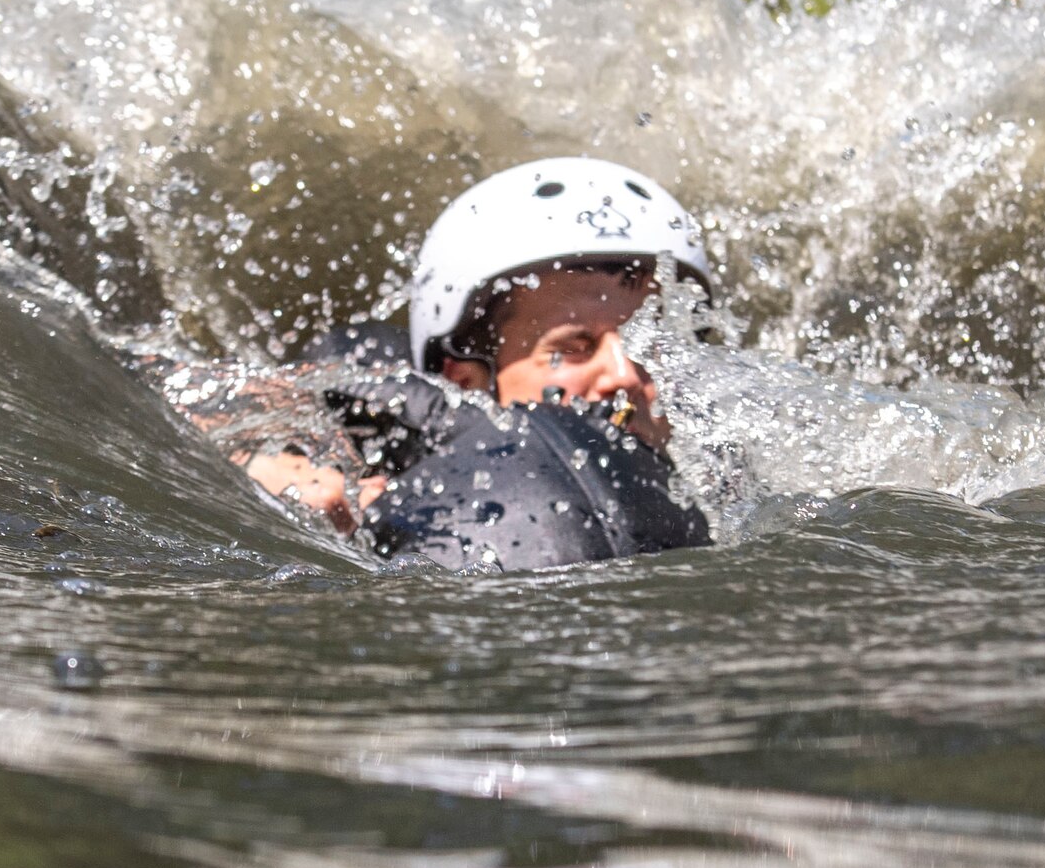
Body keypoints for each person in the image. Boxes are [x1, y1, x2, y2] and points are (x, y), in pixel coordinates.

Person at [242, 157, 715, 570]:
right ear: (467, 380)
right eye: (573, 347)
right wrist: (259, 475)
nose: (625, 375)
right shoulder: (367, 440)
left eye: (651, 346)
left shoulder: (724, 472)